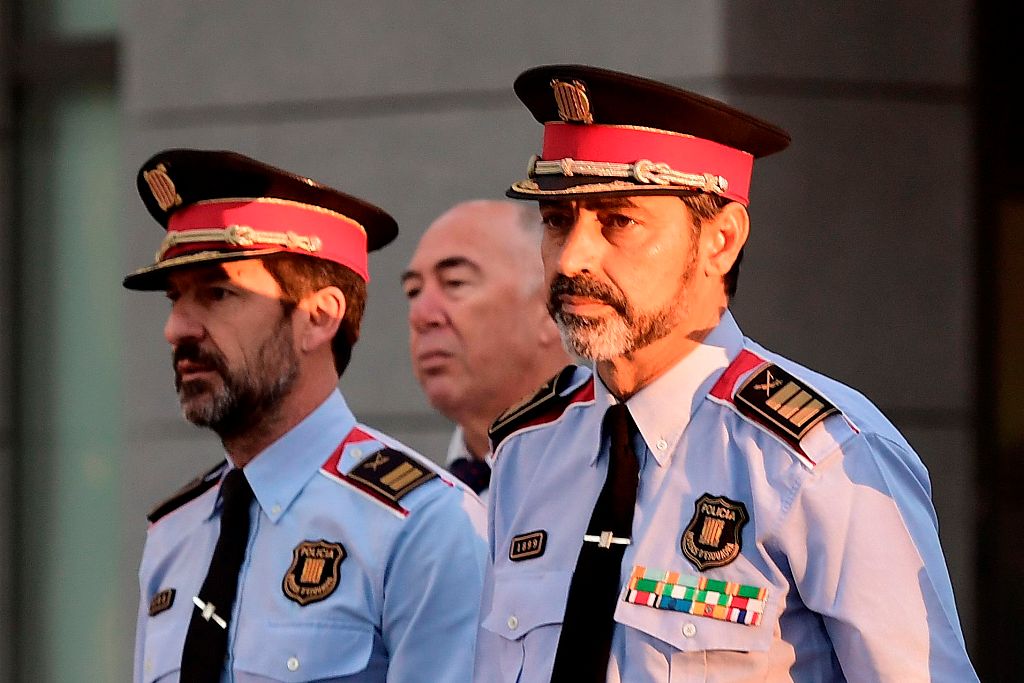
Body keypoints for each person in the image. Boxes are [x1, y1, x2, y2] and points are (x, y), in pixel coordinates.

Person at [473, 65, 978, 682]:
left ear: (720, 240)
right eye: (557, 220)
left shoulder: (820, 458)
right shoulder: (527, 449)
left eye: (618, 221)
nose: (573, 257)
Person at [126, 149, 486, 683]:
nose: (176, 329)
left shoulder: (424, 526)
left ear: (318, 317)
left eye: (218, 293)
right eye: (175, 298)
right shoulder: (175, 533)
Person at [402, 200, 571, 497]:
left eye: (455, 282)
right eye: (413, 291)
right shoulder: (414, 501)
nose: (421, 315)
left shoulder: (625, 472)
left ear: (550, 310)